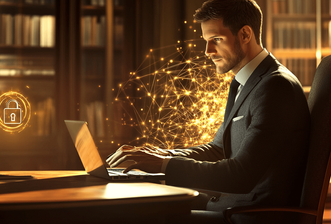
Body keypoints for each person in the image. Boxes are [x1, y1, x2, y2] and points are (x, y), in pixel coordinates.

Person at [107, 0, 310, 223]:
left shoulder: (275, 87)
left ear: (244, 34)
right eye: (206, 41)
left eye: (216, 40)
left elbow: (240, 176)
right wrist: (164, 155)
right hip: (229, 206)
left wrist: (162, 165)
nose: (207, 51)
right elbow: (217, 150)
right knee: (139, 204)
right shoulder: (246, 83)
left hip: (248, 216)